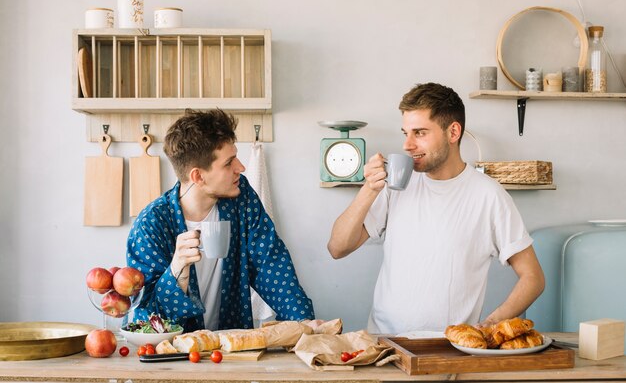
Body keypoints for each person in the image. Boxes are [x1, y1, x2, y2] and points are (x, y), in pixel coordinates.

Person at [326, 82, 545, 334]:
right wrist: (368, 190)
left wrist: (489, 325)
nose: (407, 145)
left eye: (419, 133)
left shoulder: (489, 196)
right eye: (405, 133)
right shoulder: (395, 185)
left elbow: (533, 278)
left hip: (448, 351)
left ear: (453, 133)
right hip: (385, 346)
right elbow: (337, 248)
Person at [127, 109, 314, 331]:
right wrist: (176, 271)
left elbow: (270, 264)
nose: (241, 168)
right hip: (173, 357)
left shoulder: (241, 198)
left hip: (231, 352)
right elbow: (145, 321)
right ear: (198, 176)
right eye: (229, 163)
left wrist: (304, 323)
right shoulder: (151, 225)